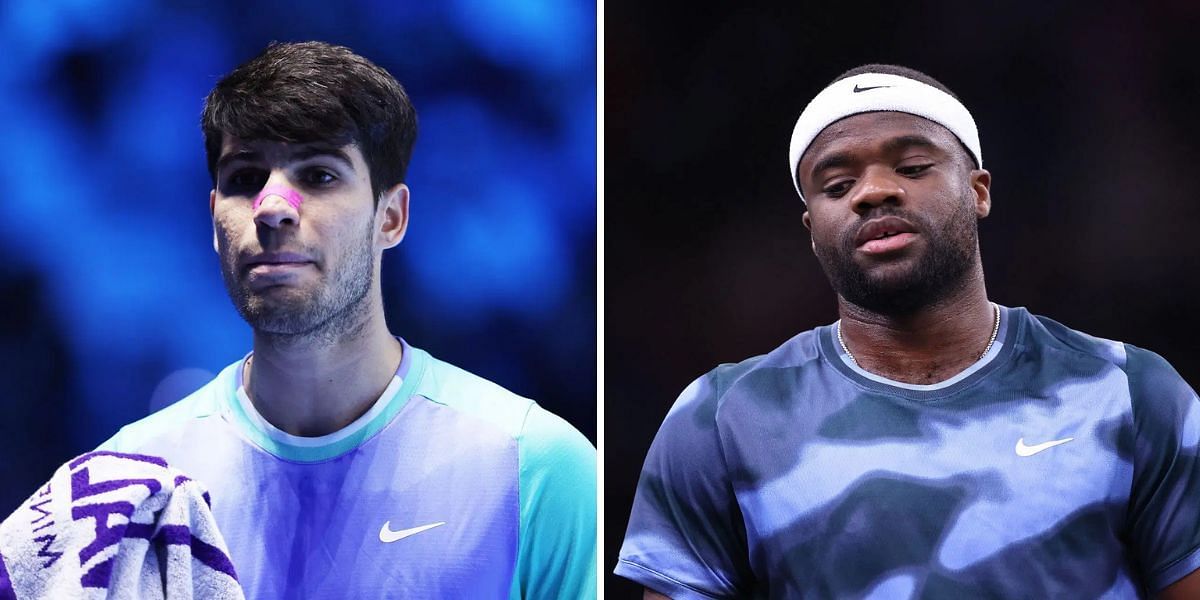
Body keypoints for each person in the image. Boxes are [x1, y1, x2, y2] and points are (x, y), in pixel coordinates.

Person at [616, 64, 1200, 598]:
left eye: (912, 167)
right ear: (812, 228)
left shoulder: (1129, 390)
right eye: (838, 185)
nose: (873, 191)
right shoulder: (723, 417)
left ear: (979, 191)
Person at [100, 41, 596, 599]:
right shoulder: (126, 482)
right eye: (244, 179)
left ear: (391, 217)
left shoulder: (533, 466)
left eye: (319, 175)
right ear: (213, 216)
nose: (272, 206)